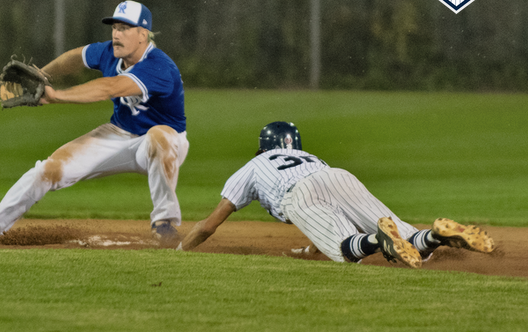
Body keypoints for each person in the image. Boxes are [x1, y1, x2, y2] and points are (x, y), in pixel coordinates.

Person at [0, 0, 188, 245]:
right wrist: (43, 73)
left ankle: (164, 222)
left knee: (159, 135)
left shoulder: (160, 67)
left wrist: (57, 96)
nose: (116, 34)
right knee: (48, 169)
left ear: (143, 35)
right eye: (114, 27)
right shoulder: (109, 52)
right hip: (119, 133)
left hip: (167, 144)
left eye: (124, 28)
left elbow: (109, 88)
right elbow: (77, 57)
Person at [177, 121, 495, 268]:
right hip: (338, 176)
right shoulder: (311, 157)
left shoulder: (255, 164)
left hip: (298, 193)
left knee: (345, 251)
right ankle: (437, 235)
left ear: (263, 146)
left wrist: (180, 249)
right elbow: (328, 206)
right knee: (413, 245)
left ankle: (377, 240)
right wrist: (312, 246)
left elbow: (209, 225)